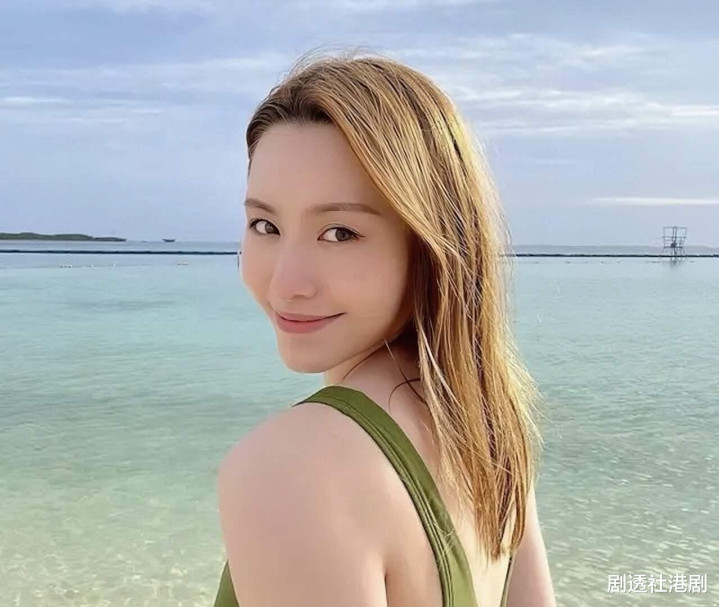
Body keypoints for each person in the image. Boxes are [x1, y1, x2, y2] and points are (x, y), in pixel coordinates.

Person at [213, 47, 556, 607]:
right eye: (265, 225)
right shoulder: (486, 425)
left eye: (340, 233)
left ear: (430, 245)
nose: (285, 283)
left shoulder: (296, 466)